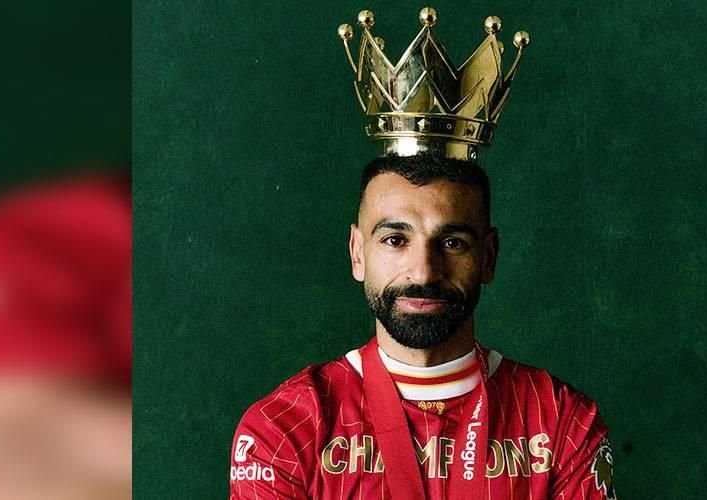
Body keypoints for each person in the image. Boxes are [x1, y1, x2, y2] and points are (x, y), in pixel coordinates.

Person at [229, 8, 615, 499]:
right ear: (357, 252)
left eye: (452, 242)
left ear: (489, 256)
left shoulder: (562, 422)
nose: (424, 271)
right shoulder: (285, 429)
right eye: (395, 239)